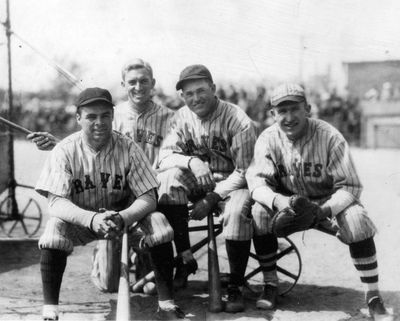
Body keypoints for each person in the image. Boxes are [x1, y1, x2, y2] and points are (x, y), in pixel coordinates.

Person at [27, 59, 179, 294]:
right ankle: (113, 258)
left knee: (160, 218)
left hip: (141, 200)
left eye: (143, 81)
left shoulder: (172, 118)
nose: (138, 87)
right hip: (104, 203)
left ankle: (159, 277)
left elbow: (175, 162)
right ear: (124, 85)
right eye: (132, 82)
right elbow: (90, 149)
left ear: (153, 84)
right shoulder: (113, 115)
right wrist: (60, 146)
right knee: (108, 285)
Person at [245, 83, 393, 320]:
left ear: (308, 109)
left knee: (357, 219)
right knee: (258, 213)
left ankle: (373, 297)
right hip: (289, 202)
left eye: (295, 109)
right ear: (273, 115)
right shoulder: (268, 138)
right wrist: (277, 201)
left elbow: (350, 186)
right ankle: (271, 284)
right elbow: (256, 182)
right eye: (282, 111)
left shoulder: (329, 136)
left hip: (327, 200)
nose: (289, 117)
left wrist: (324, 210)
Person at [157, 64, 277, 313]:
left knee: (234, 215)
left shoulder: (237, 119)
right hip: (198, 178)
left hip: (233, 183)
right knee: (169, 180)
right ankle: (184, 257)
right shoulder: (181, 117)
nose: (195, 98)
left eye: (201, 91)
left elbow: (245, 172)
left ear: (213, 89)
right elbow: (164, 158)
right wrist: (192, 161)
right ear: (182, 96)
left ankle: (235, 285)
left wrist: (213, 197)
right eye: (188, 94)